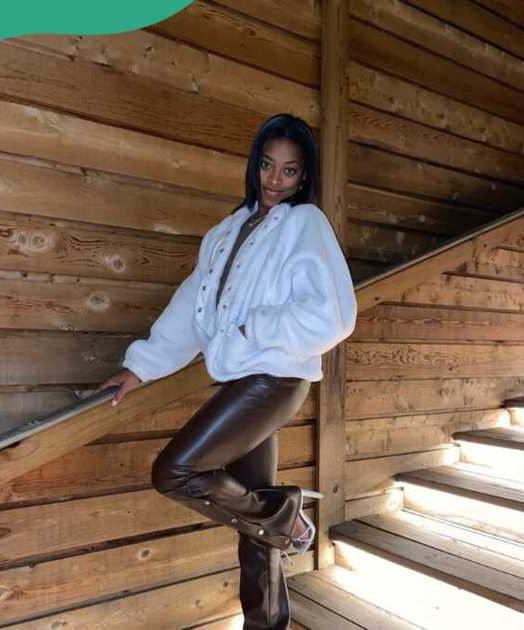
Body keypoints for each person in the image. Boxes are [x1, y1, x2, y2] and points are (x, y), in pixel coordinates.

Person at [98, 113, 357, 630]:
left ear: (303, 177)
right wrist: (139, 368)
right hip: (243, 381)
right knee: (250, 521)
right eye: (267, 165)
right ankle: (268, 619)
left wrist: (249, 332)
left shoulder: (306, 225)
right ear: (254, 165)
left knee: (174, 471)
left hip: (275, 380)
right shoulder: (226, 232)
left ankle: (285, 518)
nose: (274, 180)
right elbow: (190, 310)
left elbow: (334, 314)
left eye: (289, 171)